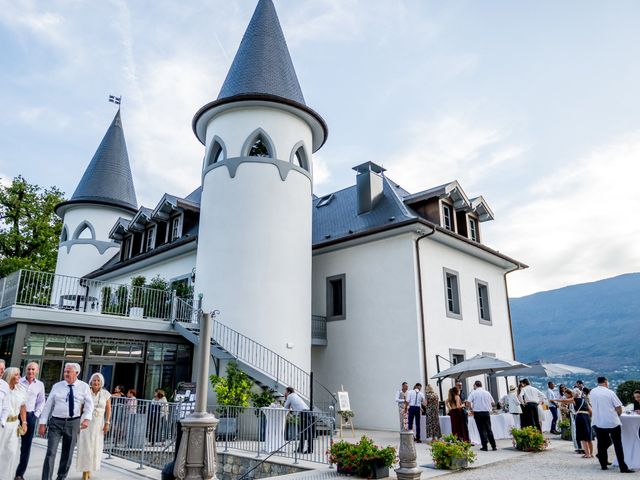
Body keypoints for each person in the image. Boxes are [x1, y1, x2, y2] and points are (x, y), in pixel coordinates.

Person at [39, 362, 94, 480]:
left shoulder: (84, 387)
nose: (66, 374)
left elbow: (90, 405)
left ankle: (61, 477)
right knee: (50, 452)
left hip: (73, 423)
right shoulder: (57, 386)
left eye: (69, 372)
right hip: (55, 422)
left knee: (67, 454)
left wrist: (87, 419)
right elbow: (48, 405)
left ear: (77, 373)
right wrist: (42, 423)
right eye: (65, 371)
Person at [589, 376, 633, 473]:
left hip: (598, 421)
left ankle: (603, 465)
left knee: (600, 444)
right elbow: (619, 408)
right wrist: (618, 414)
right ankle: (623, 467)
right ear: (605, 382)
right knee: (618, 444)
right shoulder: (610, 392)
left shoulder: (592, 392)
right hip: (611, 422)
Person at [76, 373, 112, 480]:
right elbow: (80, 408)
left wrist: (107, 422)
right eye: (94, 380)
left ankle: (90, 468)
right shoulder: (86, 392)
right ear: (91, 381)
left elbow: (109, 409)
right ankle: (85, 470)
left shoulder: (106, 394)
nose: (96, 382)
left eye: (98, 380)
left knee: (95, 447)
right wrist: (77, 422)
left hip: (98, 424)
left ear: (101, 382)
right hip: (86, 422)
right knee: (85, 446)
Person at [15, 361, 46, 480]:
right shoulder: (18, 382)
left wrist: (36, 415)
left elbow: (41, 401)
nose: (31, 371)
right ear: (25, 370)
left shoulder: (40, 385)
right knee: (9, 442)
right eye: (29, 369)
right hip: (15, 415)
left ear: (37, 371)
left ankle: (19, 474)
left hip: (30, 416)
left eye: (33, 369)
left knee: (26, 447)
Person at [0, 367, 27, 480]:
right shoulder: (2, 387)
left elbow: (23, 406)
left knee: (11, 452)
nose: (19, 377)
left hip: (15, 424)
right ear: (9, 375)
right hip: (2, 424)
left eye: (19, 374)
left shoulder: (21, 389)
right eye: (16, 375)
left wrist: (24, 422)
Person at [557, 387, 593, 457]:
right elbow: (591, 411)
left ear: (574, 394)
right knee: (588, 436)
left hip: (579, 417)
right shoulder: (584, 400)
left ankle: (587, 454)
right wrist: (589, 417)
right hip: (587, 417)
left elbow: (564, 401)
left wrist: (553, 400)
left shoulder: (575, 399)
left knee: (582, 436)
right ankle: (591, 453)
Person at [466, 380, 496, 451]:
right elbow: (493, 403)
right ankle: (493, 446)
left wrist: (471, 409)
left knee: (481, 430)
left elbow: (467, 402)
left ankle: (485, 446)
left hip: (478, 413)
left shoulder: (473, 393)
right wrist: (487, 405)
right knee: (489, 429)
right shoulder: (487, 393)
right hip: (486, 413)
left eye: (474, 385)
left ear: (475, 385)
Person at [284, 387, 312, 453]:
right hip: (307, 412)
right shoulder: (295, 395)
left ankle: (305, 449)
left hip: (303, 413)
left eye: (285, 391)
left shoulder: (290, 396)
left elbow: (285, 406)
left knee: (303, 432)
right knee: (308, 432)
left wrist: (286, 400)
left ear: (288, 392)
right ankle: (306, 449)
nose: (284, 393)